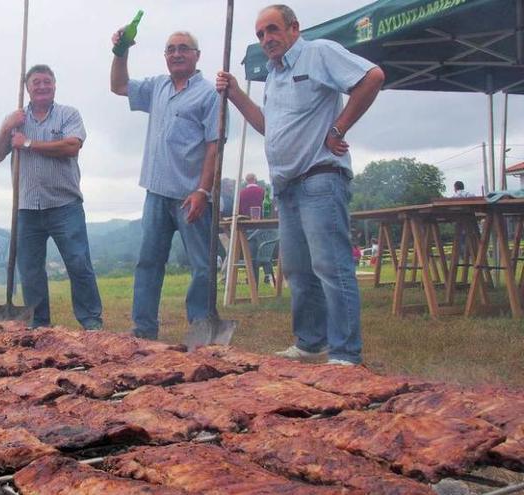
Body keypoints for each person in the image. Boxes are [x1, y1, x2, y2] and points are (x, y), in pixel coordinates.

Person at [216, 4, 385, 365]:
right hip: (287, 186)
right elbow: (268, 127)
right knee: (296, 268)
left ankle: (345, 354)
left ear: (294, 28)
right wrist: (235, 93)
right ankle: (311, 343)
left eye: (273, 30)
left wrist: (338, 128)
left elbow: (372, 77)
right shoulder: (274, 75)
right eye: (261, 34)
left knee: (331, 266)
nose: (266, 39)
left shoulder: (318, 53)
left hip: (320, 178)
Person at [111, 29, 222, 340]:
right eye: (171, 49)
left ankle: (201, 328)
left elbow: (214, 145)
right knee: (148, 263)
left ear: (196, 55)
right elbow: (119, 85)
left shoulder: (209, 95)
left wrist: (202, 191)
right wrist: (121, 51)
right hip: (156, 194)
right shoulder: (157, 86)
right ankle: (143, 330)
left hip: (191, 197)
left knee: (201, 266)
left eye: (184, 48)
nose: (176, 54)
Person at [0, 64, 103, 330]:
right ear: (27, 88)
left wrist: (28, 144)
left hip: (65, 205)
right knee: (30, 271)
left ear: (54, 85)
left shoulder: (67, 115)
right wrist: (6, 129)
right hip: (27, 207)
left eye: (46, 82)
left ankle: (91, 321)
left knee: (78, 263)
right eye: (35, 82)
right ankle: (39, 325)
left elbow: (72, 146)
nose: (41, 86)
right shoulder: (15, 120)